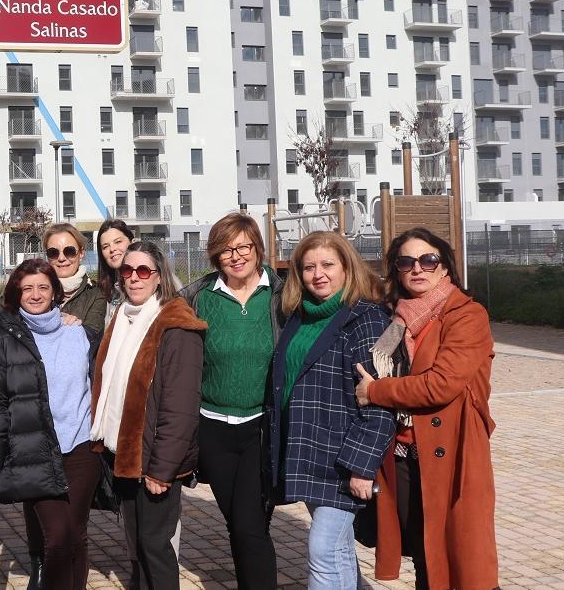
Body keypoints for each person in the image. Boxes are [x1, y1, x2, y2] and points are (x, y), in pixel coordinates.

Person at [354, 228, 498, 590]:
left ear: (445, 265)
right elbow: (375, 361)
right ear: (397, 270)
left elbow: (440, 384)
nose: (418, 268)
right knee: (424, 552)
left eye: (428, 259)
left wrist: (376, 392)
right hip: (402, 454)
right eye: (406, 261)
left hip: (454, 453)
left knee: (466, 559)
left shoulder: (467, 315)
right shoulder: (394, 320)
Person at [267, 232, 395, 590]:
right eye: (308, 267)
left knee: (323, 549)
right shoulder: (300, 316)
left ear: (347, 267)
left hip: (342, 458)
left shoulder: (366, 318)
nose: (318, 274)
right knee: (337, 550)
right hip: (307, 453)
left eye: (327, 265)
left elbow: (380, 401)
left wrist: (361, 467)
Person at [0, 258, 102, 590]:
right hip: (34, 451)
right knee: (58, 539)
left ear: (55, 292)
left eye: (43, 287)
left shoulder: (81, 334)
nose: (35, 294)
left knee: (76, 535)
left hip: (81, 449)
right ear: (17, 293)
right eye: (27, 288)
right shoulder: (5, 338)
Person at [91, 240, 205, 590]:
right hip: (123, 453)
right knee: (138, 546)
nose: (134, 278)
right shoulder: (122, 318)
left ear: (158, 277)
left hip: (154, 458)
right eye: (127, 271)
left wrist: (162, 468)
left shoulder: (176, 325)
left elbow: (181, 406)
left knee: (155, 546)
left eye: (143, 271)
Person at [181, 213, 283, 590]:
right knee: (239, 523)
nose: (236, 256)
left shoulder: (282, 293)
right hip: (214, 427)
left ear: (257, 248)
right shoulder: (198, 297)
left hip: (262, 426)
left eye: (243, 246)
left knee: (250, 523)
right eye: (225, 250)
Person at [45, 222, 107, 335]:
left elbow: (91, 338)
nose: (61, 258)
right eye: (53, 252)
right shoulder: (33, 290)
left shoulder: (95, 295)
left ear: (81, 253)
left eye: (69, 251)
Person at [95, 218, 136, 325]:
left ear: (132, 242)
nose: (112, 249)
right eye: (105, 246)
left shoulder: (152, 280)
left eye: (118, 242)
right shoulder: (104, 292)